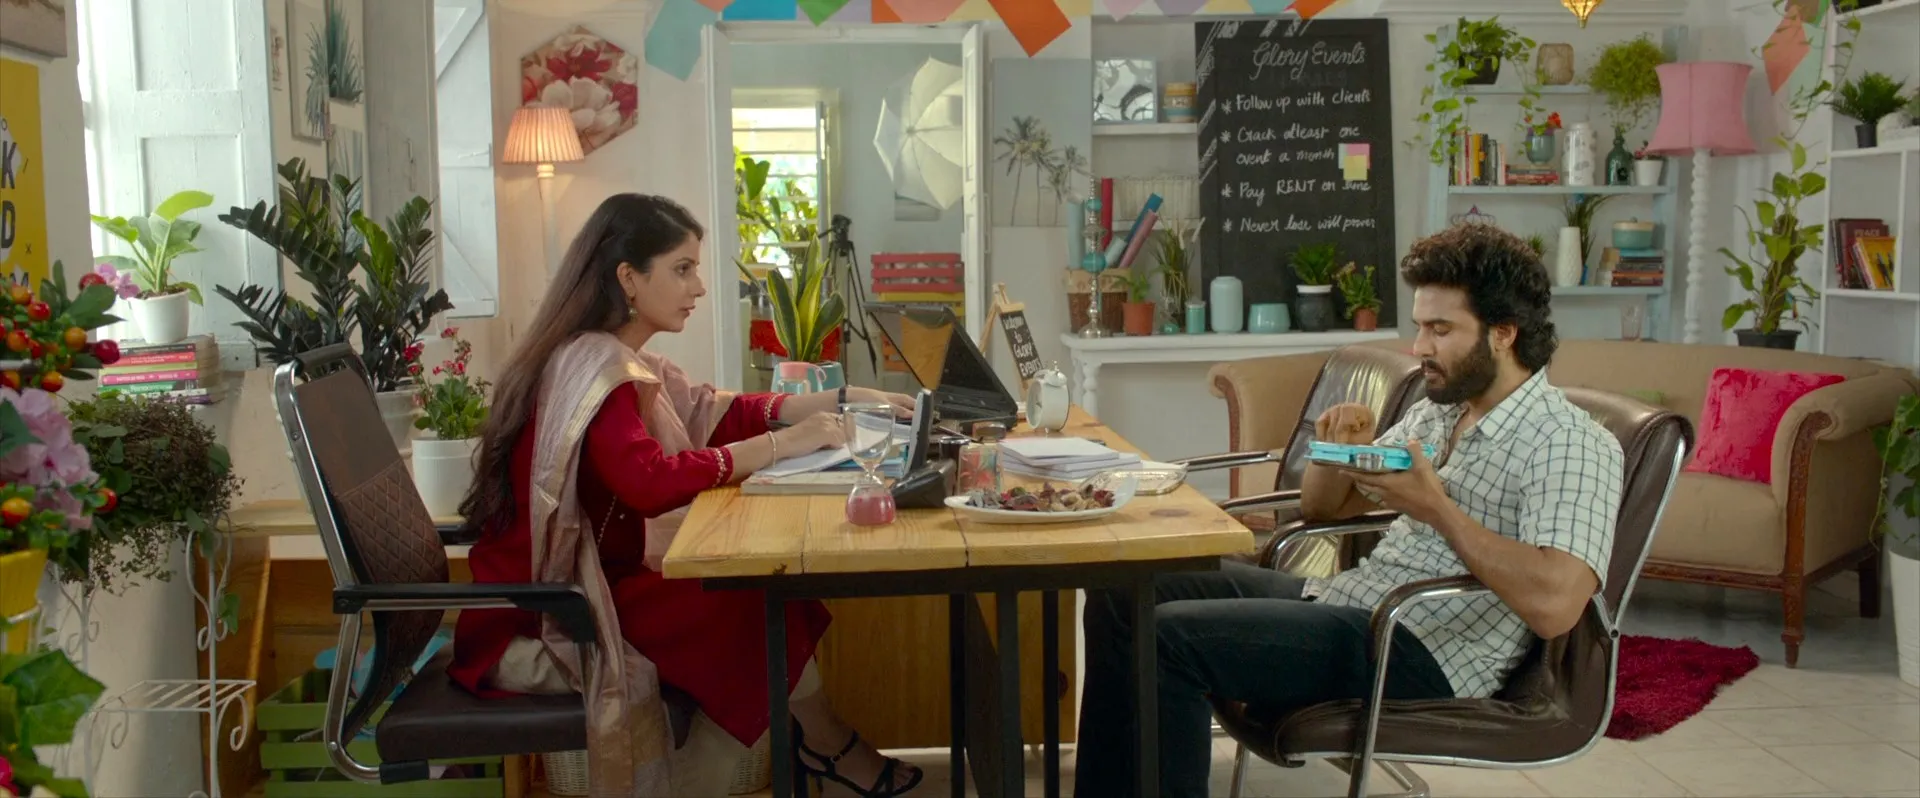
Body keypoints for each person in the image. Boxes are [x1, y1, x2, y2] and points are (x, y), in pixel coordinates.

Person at [1073, 223, 1626, 798]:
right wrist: (1335, 450)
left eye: (1441, 330)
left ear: (1504, 333)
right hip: (1351, 601)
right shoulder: (1441, 411)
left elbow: (1556, 607)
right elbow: (1321, 508)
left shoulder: (1570, 443)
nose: (1419, 348)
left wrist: (1437, 509)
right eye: (1420, 326)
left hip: (1422, 648)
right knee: (1127, 586)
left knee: (1169, 640)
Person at [448, 193, 926, 797]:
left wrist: (844, 399)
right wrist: (780, 446)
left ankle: (816, 747)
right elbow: (648, 481)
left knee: (770, 597)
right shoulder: (595, 369)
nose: (698, 286)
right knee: (753, 605)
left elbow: (714, 412)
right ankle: (818, 749)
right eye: (682, 268)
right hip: (544, 613)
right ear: (628, 278)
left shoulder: (610, 357)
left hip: (590, 583)